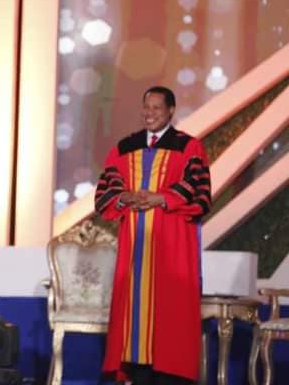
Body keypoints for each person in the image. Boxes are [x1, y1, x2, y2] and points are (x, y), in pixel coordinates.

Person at [94, 86, 211, 384]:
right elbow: (106, 191)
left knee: (171, 314)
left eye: (157, 108)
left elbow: (199, 193)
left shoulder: (189, 147)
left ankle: (171, 374)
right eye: (146, 107)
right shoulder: (124, 147)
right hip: (135, 246)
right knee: (134, 317)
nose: (150, 113)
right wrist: (126, 197)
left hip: (172, 245)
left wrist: (162, 198)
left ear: (171, 110)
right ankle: (136, 371)